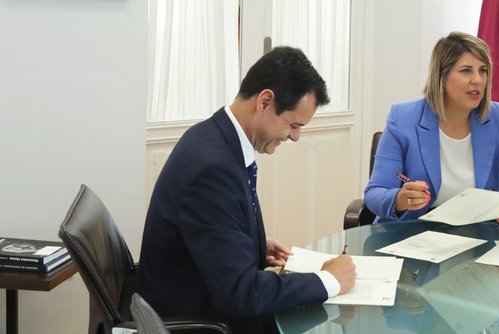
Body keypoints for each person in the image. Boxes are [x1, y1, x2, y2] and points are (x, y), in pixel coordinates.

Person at [137, 47, 357, 333]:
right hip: (204, 318)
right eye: (293, 124)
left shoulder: (213, 137)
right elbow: (241, 292)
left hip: (201, 295)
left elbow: (209, 227)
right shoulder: (213, 170)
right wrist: (328, 280)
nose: (295, 137)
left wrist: (251, 243)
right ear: (265, 101)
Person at [364, 31, 499, 228]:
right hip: (412, 233)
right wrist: (401, 199)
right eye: (466, 70)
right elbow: (374, 193)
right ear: (441, 77)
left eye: (483, 70)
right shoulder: (403, 118)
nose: (477, 79)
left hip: (479, 234)